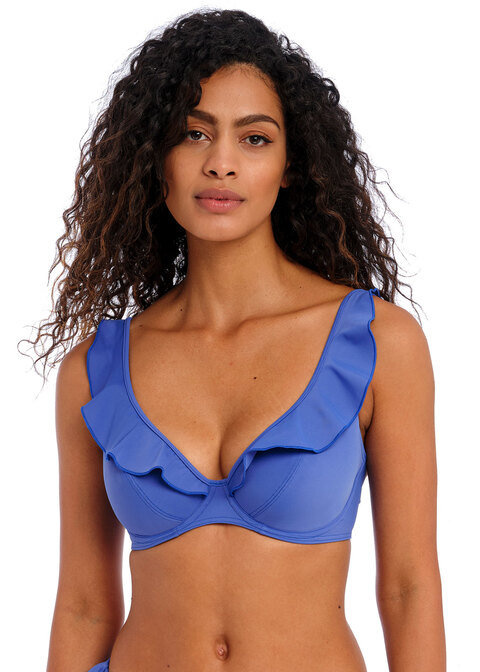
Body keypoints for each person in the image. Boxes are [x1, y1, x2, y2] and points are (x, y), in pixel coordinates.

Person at [28, 8, 445, 671]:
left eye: (254, 139)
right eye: (193, 133)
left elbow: (408, 587)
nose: (221, 163)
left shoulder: (379, 344)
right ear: (155, 158)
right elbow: (84, 605)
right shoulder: (95, 369)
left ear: (289, 164)